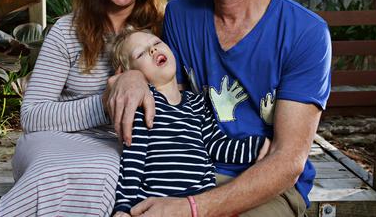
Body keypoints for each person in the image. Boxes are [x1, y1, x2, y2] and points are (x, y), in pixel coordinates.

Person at [105, 0, 332, 217]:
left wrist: (191, 209)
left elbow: (288, 161)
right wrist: (133, 78)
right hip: (188, 174)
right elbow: (168, 92)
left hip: (264, 183)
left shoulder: (306, 33)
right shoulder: (181, 15)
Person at [0, 0, 166, 217]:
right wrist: (107, 102)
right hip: (51, 140)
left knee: (107, 172)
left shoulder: (159, 31)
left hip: (123, 147)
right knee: (51, 172)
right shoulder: (67, 31)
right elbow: (32, 116)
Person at [109, 29, 270, 216]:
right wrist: (123, 206)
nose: (152, 50)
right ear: (129, 73)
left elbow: (216, 145)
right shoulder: (144, 105)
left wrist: (256, 146)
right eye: (141, 53)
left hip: (199, 201)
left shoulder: (197, 102)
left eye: (156, 43)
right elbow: (133, 160)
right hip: (155, 203)